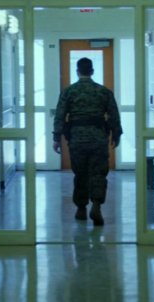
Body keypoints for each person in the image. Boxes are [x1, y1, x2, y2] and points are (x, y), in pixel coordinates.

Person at [52, 57, 122, 226]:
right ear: (92, 71)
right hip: (98, 138)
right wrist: (116, 134)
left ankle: (81, 209)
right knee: (98, 173)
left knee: (80, 173)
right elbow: (114, 115)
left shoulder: (69, 92)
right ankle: (96, 205)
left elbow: (60, 116)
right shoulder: (104, 91)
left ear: (78, 71)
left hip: (77, 139)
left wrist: (56, 138)